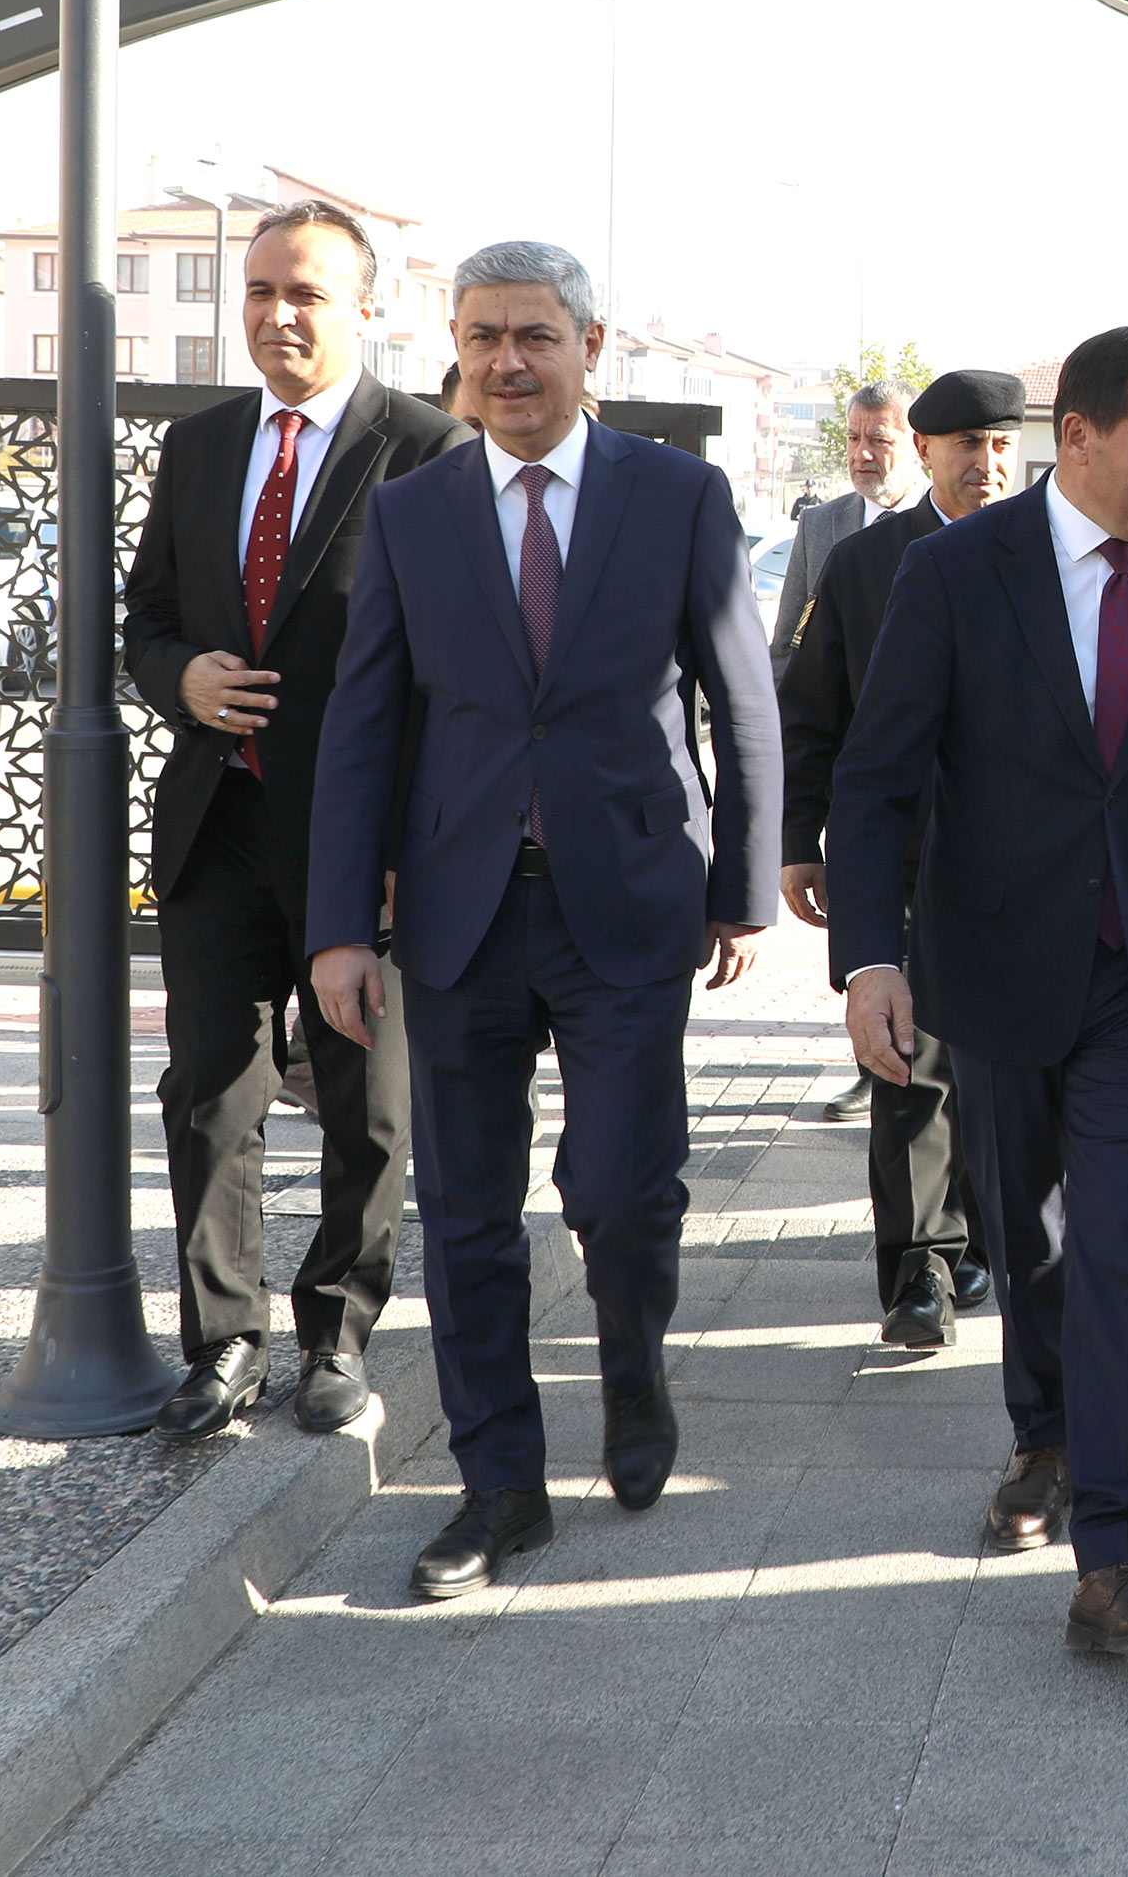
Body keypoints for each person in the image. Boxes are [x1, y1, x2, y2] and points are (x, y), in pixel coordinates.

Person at [307, 240, 779, 1599]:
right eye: (479, 336)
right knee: (464, 1215)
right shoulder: (412, 510)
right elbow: (365, 724)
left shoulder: (677, 495)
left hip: (629, 902)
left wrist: (741, 887)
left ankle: (632, 1373)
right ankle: (498, 1488)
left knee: (622, 1193)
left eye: (532, 335)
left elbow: (738, 701)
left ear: (590, 344)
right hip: (458, 914)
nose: (505, 362)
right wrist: (341, 922)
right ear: (454, 348)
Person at [827, 327, 1128, 1660]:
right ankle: (1041, 1430)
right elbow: (879, 776)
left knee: (1123, 1249)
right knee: (1021, 1239)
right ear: (1076, 435)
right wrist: (871, 956)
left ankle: (1116, 1556)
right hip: (997, 967)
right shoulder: (958, 571)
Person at [122, 200, 470, 1441]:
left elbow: (454, 670)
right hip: (221, 816)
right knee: (211, 1090)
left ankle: (337, 1337)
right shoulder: (203, 444)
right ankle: (223, 1343)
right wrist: (182, 680)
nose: (276, 314)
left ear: (366, 308)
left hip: (361, 840)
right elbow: (145, 613)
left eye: (306, 294)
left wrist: (402, 849)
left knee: (367, 1101)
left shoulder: (427, 450)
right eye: (261, 290)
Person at [776, 370, 1023, 1351]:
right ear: (924, 452)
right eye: (966, 444)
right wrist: (801, 841)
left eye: (1002, 445)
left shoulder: (1051, 557)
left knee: (992, 1075)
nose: (987, 463)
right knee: (908, 1068)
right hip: (907, 861)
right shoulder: (867, 564)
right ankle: (915, 1271)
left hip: (1018, 870)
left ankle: (970, 1239)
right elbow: (813, 714)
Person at [773, 382, 923, 1122]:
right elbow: (792, 659)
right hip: (857, 784)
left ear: (915, 444)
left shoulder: (955, 527)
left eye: (881, 440)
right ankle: (874, 1062)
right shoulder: (823, 526)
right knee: (869, 936)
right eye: (855, 440)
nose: (864, 454)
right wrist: (796, 822)